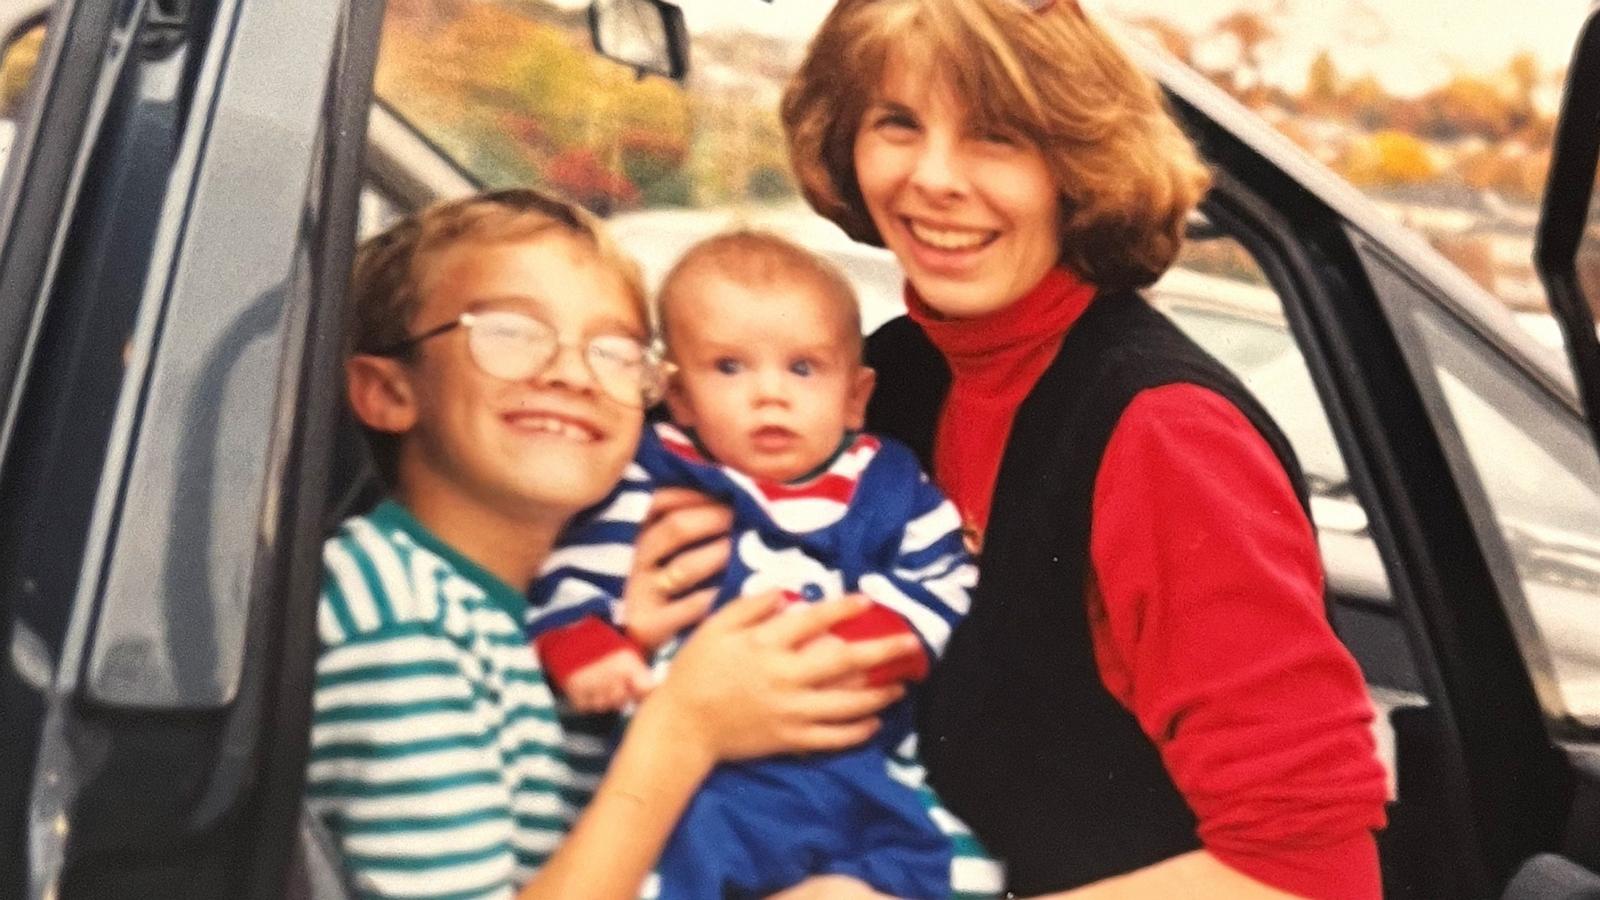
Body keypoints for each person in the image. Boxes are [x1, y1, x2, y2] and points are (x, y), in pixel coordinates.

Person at [787, 0, 1395, 897]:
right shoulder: (892, 377)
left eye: (996, 136)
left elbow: (1312, 874)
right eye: (898, 125)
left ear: (1077, 163)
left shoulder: (1165, 435)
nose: (934, 178)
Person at [304, 189, 920, 900]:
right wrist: (683, 727)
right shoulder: (399, 620)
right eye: (509, 333)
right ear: (387, 391)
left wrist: (626, 651)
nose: (572, 373)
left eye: (616, 351)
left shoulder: (526, 605)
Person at [523, 231, 978, 899]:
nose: (770, 394)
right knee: (677, 870)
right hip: (704, 781)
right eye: (730, 368)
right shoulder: (652, 481)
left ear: (855, 397)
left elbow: (946, 582)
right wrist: (591, 650)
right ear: (677, 398)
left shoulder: (888, 486)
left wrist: (860, 642)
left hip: (857, 766)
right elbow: (576, 576)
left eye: (802, 369)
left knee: (927, 862)